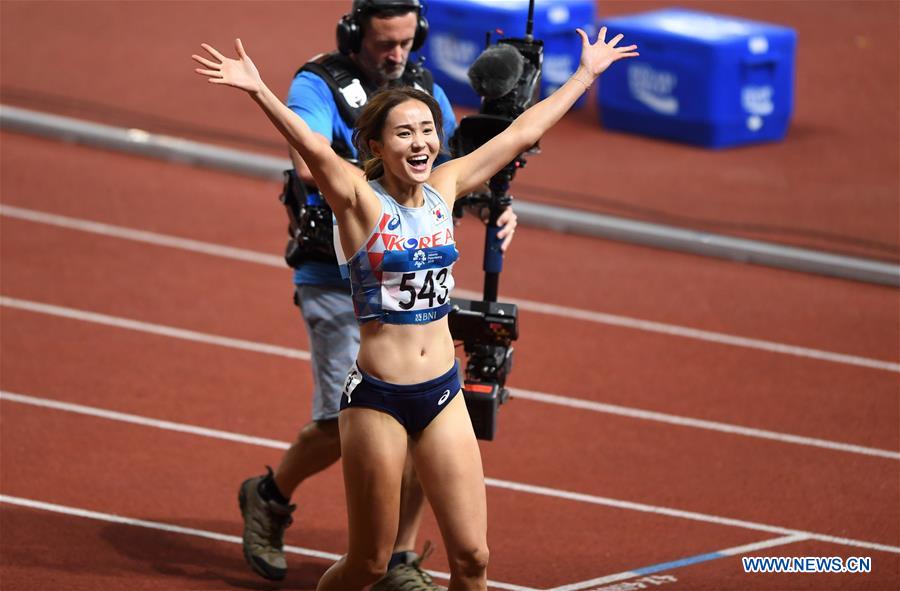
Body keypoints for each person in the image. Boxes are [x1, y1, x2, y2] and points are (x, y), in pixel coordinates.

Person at [193, 21, 637, 590]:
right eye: (404, 133)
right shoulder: (357, 199)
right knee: (369, 564)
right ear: (376, 146)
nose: (421, 142)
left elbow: (521, 133)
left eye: (428, 130)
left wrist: (583, 76)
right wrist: (259, 91)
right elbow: (312, 147)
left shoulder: (445, 186)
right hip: (377, 400)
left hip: (442, 393)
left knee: (473, 558)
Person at [233, 1, 516, 588]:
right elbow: (310, 159)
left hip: (418, 277)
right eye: (385, 42)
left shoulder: (423, 91)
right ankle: (271, 495)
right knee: (338, 427)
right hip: (336, 275)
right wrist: (260, 91)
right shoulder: (321, 82)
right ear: (355, 34)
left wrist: (493, 204)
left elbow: (456, 165)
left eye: (406, 42)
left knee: (425, 437)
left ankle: (402, 559)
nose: (396, 54)